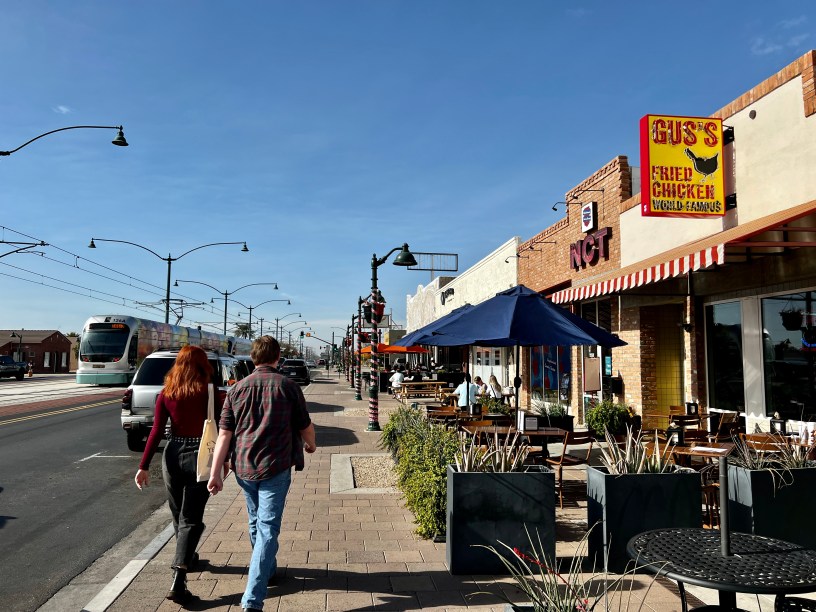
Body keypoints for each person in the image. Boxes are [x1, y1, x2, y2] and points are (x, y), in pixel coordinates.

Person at [207, 336, 316, 612]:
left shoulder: (236, 390)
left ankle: (267, 569)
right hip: (276, 466)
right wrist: (311, 443)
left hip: (243, 466)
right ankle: (252, 601)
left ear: (254, 358)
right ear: (277, 357)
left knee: (256, 522)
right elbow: (305, 424)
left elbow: (224, 434)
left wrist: (216, 472)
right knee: (267, 528)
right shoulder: (288, 387)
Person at [134, 345, 216, 605]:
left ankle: (189, 558)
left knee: (177, 511)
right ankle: (178, 578)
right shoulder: (211, 393)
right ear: (203, 365)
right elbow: (224, 429)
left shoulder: (166, 393)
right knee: (191, 518)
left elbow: (157, 430)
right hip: (200, 454)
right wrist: (225, 460)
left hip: (173, 452)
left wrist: (144, 465)